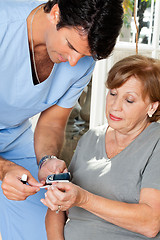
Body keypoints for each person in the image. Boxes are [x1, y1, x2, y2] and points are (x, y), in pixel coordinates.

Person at [0, 0, 123, 239]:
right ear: (55, 13)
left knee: (45, 223)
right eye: (70, 46)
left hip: (13, 136)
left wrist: (47, 159)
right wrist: (4, 169)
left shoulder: (83, 61)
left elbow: (52, 123)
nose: (75, 61)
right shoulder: (4, 25)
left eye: (84, 54)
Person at [42, 55, 160, 240]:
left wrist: (84, 199)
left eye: (129, 100)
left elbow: (150, 223)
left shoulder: (156, 142)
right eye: (113, 93)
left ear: (152, 107)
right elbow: (56, 208)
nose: (115, 106)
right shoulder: (91, 138)